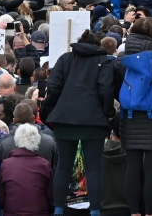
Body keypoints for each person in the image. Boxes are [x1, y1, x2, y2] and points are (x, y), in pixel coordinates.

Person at [40, 28, 115, 215]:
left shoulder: (66, 59)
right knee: (94, 168)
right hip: (94, 121)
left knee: (63, 166)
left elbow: (53, 87)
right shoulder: (104, 61)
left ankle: (58, 209)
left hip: (65, 118)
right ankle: (95, 210)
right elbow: (106, 90)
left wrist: (48, 111)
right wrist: (109, 113)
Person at [114, 17, 152, 216]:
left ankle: (134, 212)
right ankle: (149, 212)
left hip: (129, 119)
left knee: (132, 168)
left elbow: (118, 90)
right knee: (151, 169)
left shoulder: (121, 59)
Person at [0, 123, 53, 216]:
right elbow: (50, 196)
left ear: (17, 140)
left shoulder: (6, 164)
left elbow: (1, 197)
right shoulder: (44, 164)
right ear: (37, 140)